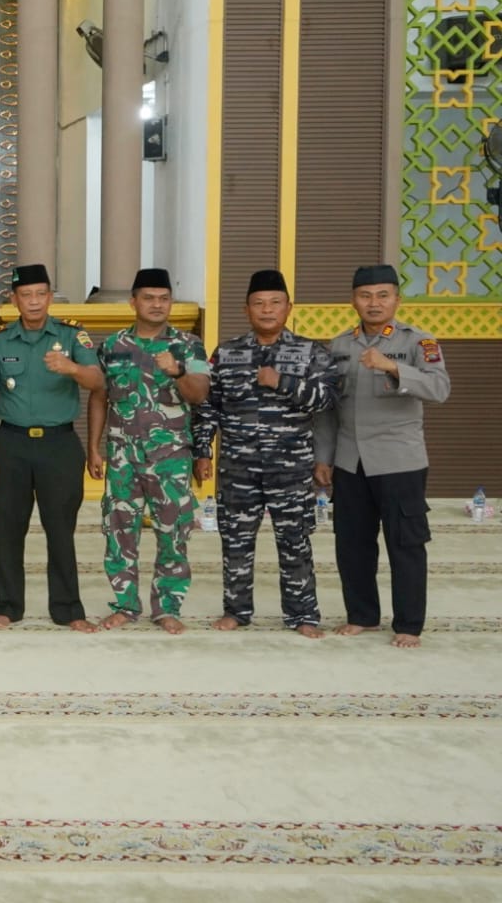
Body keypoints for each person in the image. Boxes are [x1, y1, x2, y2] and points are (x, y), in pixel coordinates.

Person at [192, 270, 337, 638]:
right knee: (235, 542)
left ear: (289, 307)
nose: (267, 309)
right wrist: (202, 450)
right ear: (246, 309)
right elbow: (209, 405)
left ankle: (303, 614)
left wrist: (281, 381)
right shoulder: (226, 352)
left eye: (275, 303)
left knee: (295, 543)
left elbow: (326, 399)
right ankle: (236, 611)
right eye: (258, 303)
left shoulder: (312, 351)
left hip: (291, 468)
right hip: (237, 467)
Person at [313, 264, 450, 649]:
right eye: (365, 296)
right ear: (353, 300)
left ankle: (409, 624)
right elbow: (328, 410)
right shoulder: (339, 346)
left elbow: (440, 388)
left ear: (397, 300)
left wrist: (393, 366)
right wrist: (322, 457)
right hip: (350, 460)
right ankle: (362, 615)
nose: (374, 303)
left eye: (382, 295)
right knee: (352, 543)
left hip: (398, 460)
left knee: (405, 543)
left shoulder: (418, 342)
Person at [0, 263, 102, 632]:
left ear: (49, 297)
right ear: (14, 299)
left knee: (60, 530)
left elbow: (98, 382)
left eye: (40, 294)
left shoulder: (72, 336)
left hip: (59, 445)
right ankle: (8, 606)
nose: (34, 301)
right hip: (10, 444)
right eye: (26, 295)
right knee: (8, 530)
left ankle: (68, 609)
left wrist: (72, 368)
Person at [87, 268, 210, 634]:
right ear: (133, 302)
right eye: (149, 298)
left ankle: (167, 607)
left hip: (170, 458)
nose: (157, 305)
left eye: (164, 298)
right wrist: (93, 447)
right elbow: (100, 397)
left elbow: (200, 394)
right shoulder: (112, 346)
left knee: (173, 532)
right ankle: (125, 605)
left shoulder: (189, 345)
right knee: (118, 531)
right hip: (122, 456)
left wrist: (178, 372)